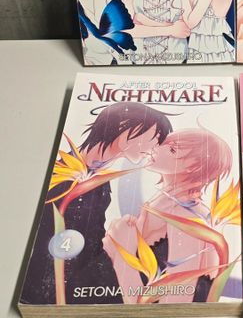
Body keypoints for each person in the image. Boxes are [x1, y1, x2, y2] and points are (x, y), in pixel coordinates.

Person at [21, 102, 173, 305]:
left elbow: (91, 242)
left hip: (74, 282)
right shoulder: (66, 177)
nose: (155, 148)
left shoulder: (99, 181)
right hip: (52, 292)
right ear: (123, 126)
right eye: (155, 137)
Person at [104, 127, 233, 303]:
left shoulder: (187, 218)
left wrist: (122, 250)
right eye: (163, 143)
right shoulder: (162, 202)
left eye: (172, 150)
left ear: (194, 168)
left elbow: (175, 303)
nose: (157, 148)